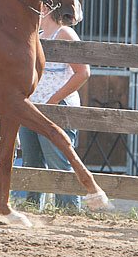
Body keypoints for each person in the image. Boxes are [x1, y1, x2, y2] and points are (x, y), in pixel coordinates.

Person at [18, 11, 90, 210]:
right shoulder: (37, 34)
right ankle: (33, 208)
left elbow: (83, 72)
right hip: (33, 107)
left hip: (58, 107)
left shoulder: (65, 33)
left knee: (59, 161)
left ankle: (69, 211)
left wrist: (55, 100)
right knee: (32, 162)